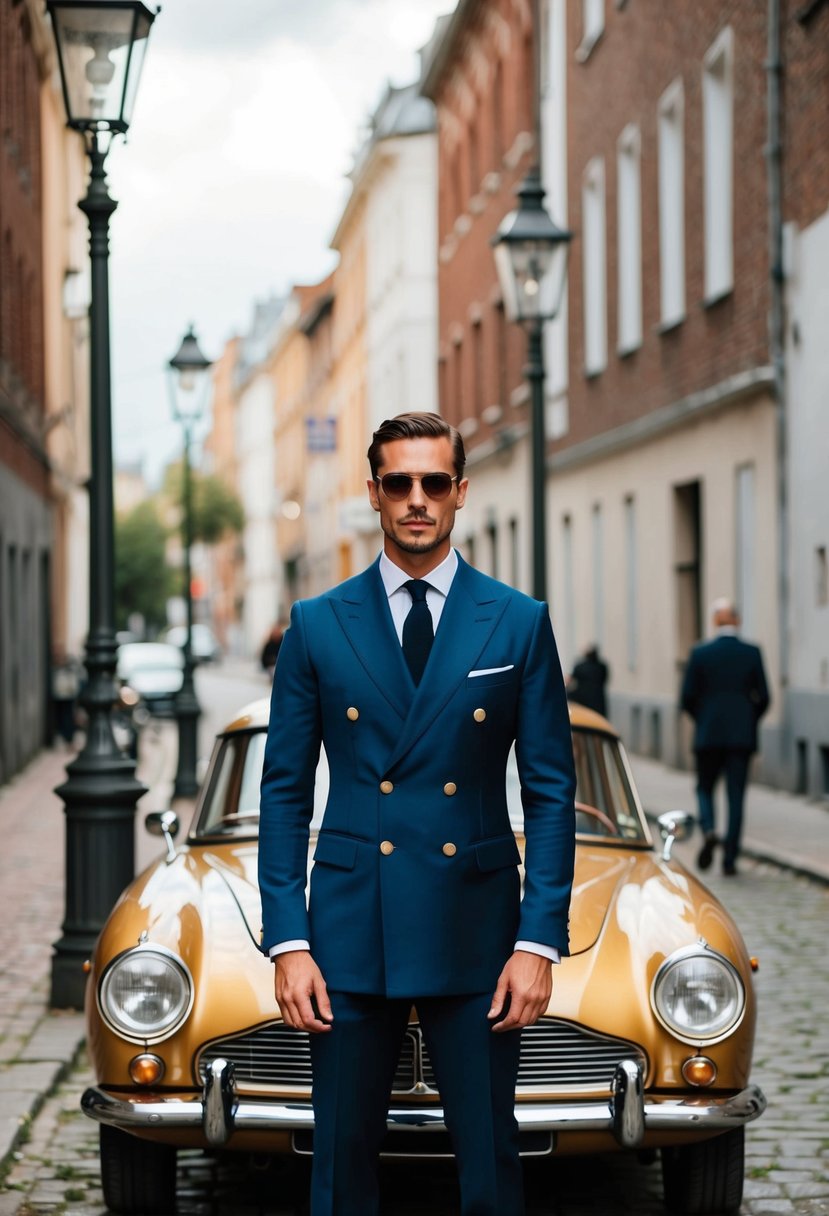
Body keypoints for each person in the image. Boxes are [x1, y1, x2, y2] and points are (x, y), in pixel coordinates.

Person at [258, 411, 576, 1216]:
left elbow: (547, 791)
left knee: (490, 1167)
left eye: (434, 482)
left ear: (460, 492)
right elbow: (285, 792)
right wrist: (288, 941)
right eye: (398, 482)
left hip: (475, 930)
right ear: (372, 493)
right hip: (347, 930)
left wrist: (538, 940)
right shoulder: (318, 624)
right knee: (339, 1166)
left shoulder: (515, 621)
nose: (416, 500)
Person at [680, 598, 770, 877]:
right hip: (741, 738)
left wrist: (703, 719)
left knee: (704, 787)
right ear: (737, 621)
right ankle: (730, 860)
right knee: (736, 797)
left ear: (715, 621)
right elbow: (764, 697)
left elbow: (686, 698)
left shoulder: (700, 653)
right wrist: (748, 720)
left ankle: (708, 829)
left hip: (708, 734)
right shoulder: (751, 652)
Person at [567, 644, 609, 717]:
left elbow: (571, 680)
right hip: (598, 699)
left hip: (583, 700)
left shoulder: (580, 666)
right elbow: (605, 679)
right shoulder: (602, 666)